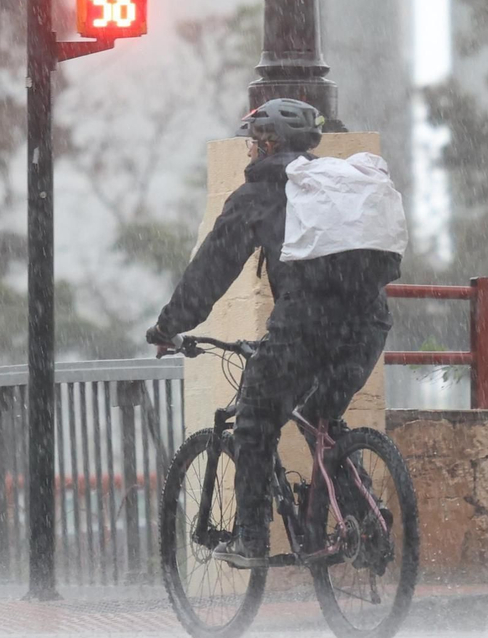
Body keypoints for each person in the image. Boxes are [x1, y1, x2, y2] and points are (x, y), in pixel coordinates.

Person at [145, 99, 404, 566]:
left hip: (306, 325)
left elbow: (210, 270)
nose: (249, 150)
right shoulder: (330, 185)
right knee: (321, 415)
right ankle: (366, 520)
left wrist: (169, 326)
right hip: (368, 323)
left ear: (268, 143)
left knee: (255, 420)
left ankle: (250, 536)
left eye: (252, 141)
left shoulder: (261, 193)